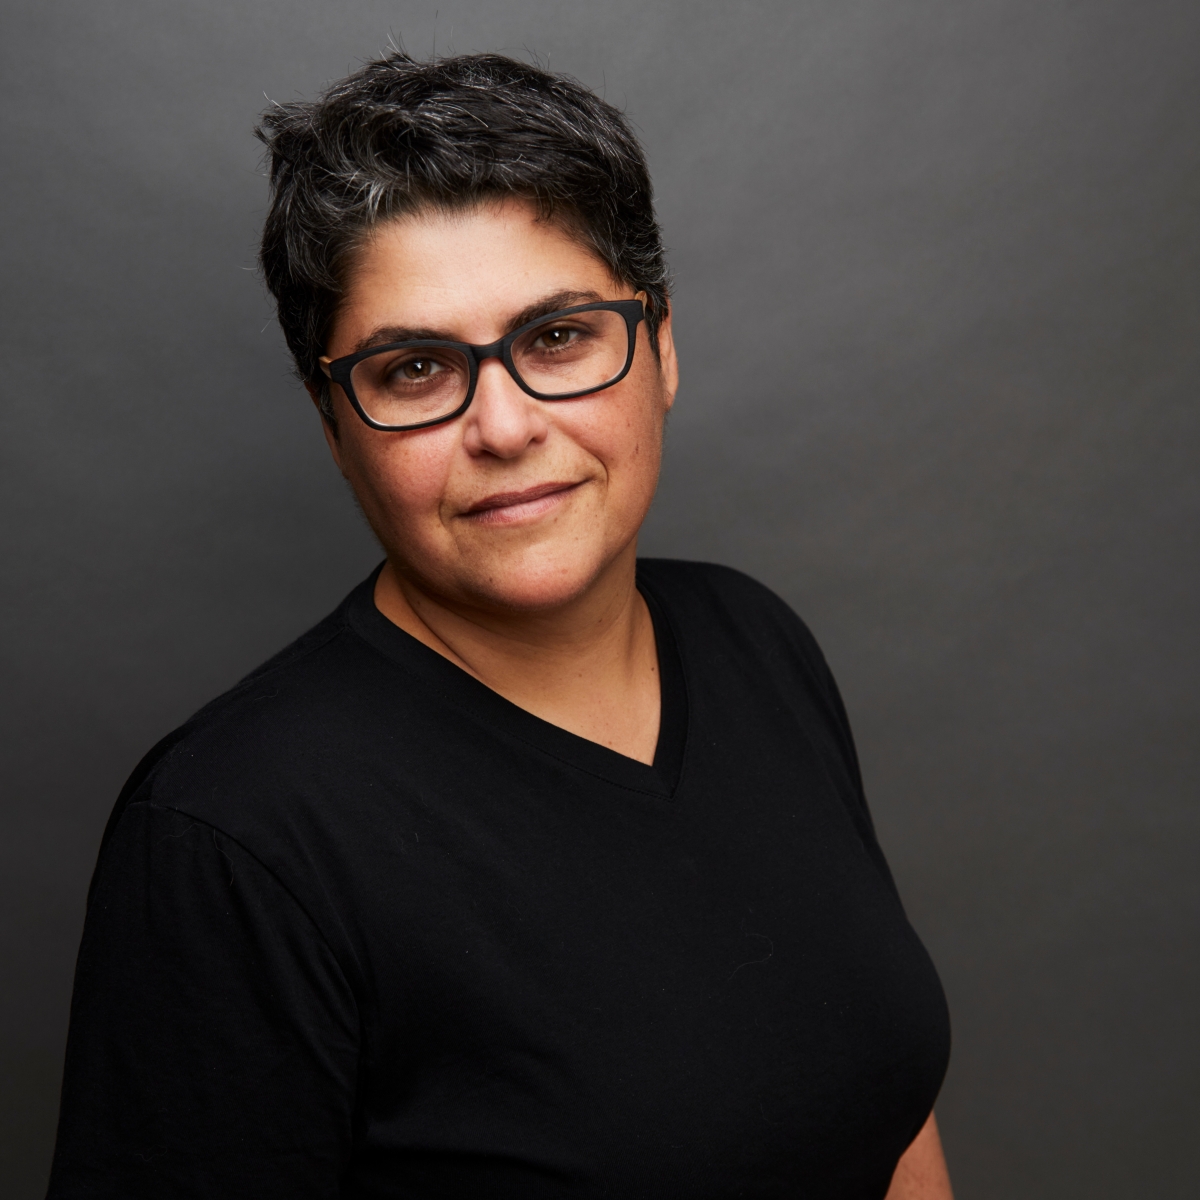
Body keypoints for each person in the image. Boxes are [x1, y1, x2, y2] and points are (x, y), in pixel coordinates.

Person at [47, 51, 953, 1199]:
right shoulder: (232, 837)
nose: (506, 426)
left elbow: (883, 1114)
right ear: (336, 427)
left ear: (661, 348)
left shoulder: (754, 643)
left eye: (558, 337)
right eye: (416, 368)